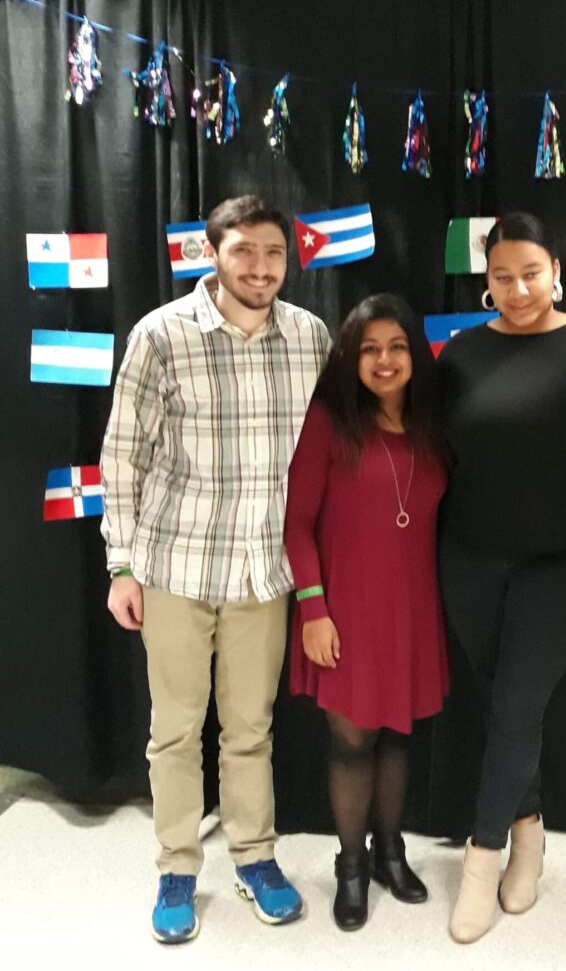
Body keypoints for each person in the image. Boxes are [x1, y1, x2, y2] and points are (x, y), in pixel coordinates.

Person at [100, 195, 331, 944]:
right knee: (173, 732)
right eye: (243, 253)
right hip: (175, 567)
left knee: (250, 729)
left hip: (265, 574)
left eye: (272, 254)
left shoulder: (310, 337)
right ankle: (175, 865)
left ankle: (254, 856)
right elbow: (122, 456)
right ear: (214, 255)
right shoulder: (161, 335)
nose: (259, 268)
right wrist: (122, 565)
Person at [437, 212, 566, 943]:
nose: (517, 288)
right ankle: (529, 831)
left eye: (530, 272)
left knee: (518, 706)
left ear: (556, 270)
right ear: (484, 282)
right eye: (501, 276)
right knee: (499, 706)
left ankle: (481, 859)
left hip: (564, 560)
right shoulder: (460, 351)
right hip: (468, 558)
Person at [284, 294, 450, 931]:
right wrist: (314, 611)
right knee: (353, 742)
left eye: (397, 346)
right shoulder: (328, 422)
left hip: (412, 609)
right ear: (350, 359)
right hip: (343, 612)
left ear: (416, 354)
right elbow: (296, 527)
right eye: (369, 349)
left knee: (399, 734)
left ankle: (391, 853)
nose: (384, 360)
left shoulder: (433, 423)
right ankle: (350, 866)